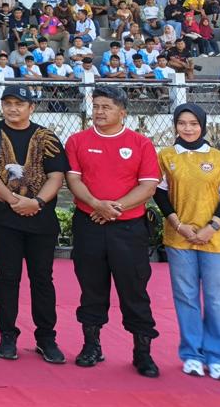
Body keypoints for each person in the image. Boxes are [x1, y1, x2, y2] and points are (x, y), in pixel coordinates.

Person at [66, 85, 161, 377]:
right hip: (90, 224)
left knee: (134, 289)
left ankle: (142, 352)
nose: (99, 112)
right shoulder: (77, 140)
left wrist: (114, 208)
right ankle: (92, 346)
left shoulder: (141, 143)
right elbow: (73, 179)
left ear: (123, 112)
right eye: (95, 106)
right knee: (91, 287)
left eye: (106, 107)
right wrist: (96, 204)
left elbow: (148, 185)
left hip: (129, 228)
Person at [0, 86, 68, 363]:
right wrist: (12, 200)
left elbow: (56, 176)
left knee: (42, 279)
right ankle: (8, 335)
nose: (13, 108)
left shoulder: (46, 136)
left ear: (32, 107)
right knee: (8, 277)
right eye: (8, 103)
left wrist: (37, 203)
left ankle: (46, 337)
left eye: (20, 103)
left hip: (40, 219)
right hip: (4, 218)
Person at [155, 103, 220, 381]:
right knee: (186, 297)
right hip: (179, 239)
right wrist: (177, 224)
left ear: (202, 125)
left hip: (217, 240)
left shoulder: (217, 157)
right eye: (182, 123)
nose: (188, 128)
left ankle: (219, 357)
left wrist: (211, 228)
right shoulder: (167, 155)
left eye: (193, 123)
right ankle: (192, 354)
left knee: (217, 301)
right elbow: (159, 193)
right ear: (175, 125)